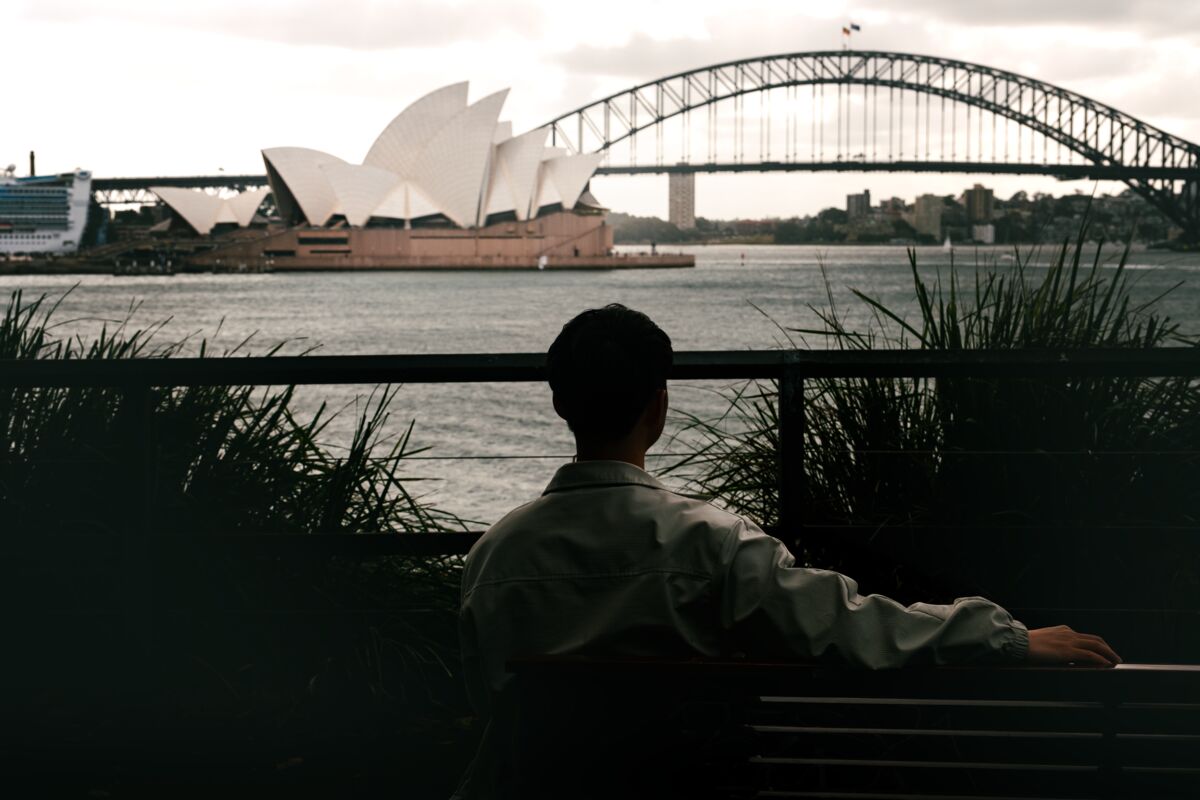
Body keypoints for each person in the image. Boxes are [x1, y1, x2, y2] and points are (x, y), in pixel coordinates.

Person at [454, 303, 1120, 799]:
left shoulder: (492, 561)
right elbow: (852, 624)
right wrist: (1002, 636)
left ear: (558, 404)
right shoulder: (712, 545)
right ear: (658, 409)